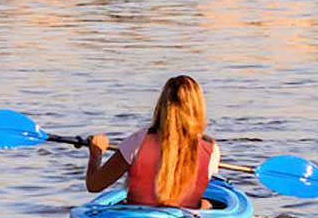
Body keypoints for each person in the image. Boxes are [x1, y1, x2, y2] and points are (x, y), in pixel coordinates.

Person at [84, 75, 220, 209]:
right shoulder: (211, 149)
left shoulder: (137, 141)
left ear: (162, 105)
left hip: (139, 216)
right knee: (207, 204)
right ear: (198, 108)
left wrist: (96, 154)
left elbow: (94, 185)